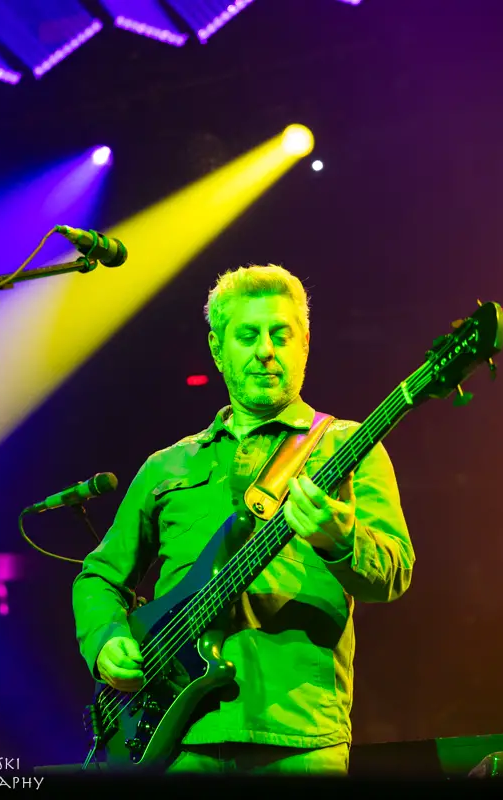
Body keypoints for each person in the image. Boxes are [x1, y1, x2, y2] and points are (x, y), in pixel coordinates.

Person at [73, 264, 415, 776]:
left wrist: (341, 541)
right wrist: (105, 641)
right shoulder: (167, 466)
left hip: (300, 738)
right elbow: (99, 576)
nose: (266, 350)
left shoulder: (348, 447)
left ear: (304, 345)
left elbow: (395, 571)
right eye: (248, 335)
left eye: (281, 334)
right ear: (217, 349)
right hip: (176, 743)